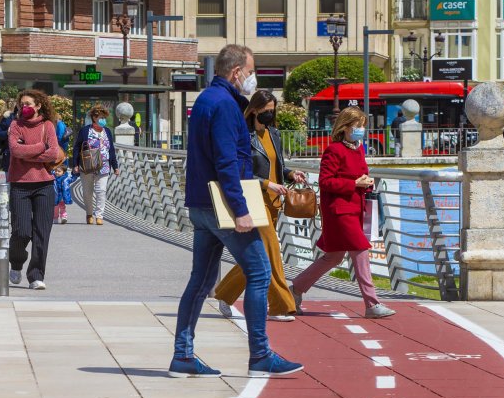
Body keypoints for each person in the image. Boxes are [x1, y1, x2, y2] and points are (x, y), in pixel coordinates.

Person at [169, 44, 303, 379]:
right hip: (225, 206)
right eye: (251, 71)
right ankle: (260, 354)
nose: (253, 78)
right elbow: (227, 161)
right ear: (237, 72)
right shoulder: (227, 105)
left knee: (200, 281)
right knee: (259, 272)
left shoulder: (205, 100)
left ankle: (182, 354)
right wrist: (241, 210)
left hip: (201, 202)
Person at [289, 106, 396, 319]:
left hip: (354, 208)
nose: (361, 130)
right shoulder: (334, 150)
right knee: (360, 249)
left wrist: (365, 182)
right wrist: (354, 183)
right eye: (358, 126)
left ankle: (295, 289)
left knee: (333, 257)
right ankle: (372, 303)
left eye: (363, 126)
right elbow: (325, 182)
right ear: (345, 127)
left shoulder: (359, 149)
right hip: (339, 211)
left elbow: (360, 174)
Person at [214, 90, 308, 322]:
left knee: (259, 254)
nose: (270, 114)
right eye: (266, 110)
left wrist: (291, 174)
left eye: (272, 110)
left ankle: (225, 293)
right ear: (254, 110)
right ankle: (280, 305)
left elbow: (278, 166)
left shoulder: (273, 133)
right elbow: (240, 172)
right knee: (272, 253)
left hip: (274, 203)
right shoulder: (243, 137)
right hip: (254, 200)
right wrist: (267, 184)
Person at [6, 89, 61, 291]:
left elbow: (53, 153)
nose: (24, 108)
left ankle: (36, 276)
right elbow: (15, 150)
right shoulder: (15, 125)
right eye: (21, 105)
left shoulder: (48, 126)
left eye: (28, 104)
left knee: (41, 233)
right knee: (21, 231)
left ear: (38, 105)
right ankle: (16, 262)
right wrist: (40, 147)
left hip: (44, 185)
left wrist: (27, 152)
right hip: (20, 184)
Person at [71, 105, 119, 226]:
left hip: (104, 165)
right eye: (101, 117)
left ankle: (99, 215)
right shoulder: (85, 131)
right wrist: (75, 164)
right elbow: (77, 147)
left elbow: (111, 149)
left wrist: (115, 166)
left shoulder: (107, 131)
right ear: (94, 118)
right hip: (87, 165)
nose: (103, 120)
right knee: (87, 192)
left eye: (104, 117)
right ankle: (89, 213)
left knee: (101, 190)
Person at [0, 99, 15, 172]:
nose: (10, 104)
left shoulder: (23, 117)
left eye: (12, 102)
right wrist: (7, 133)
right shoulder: (6, 117)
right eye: (9, 102)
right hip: (8, 151)